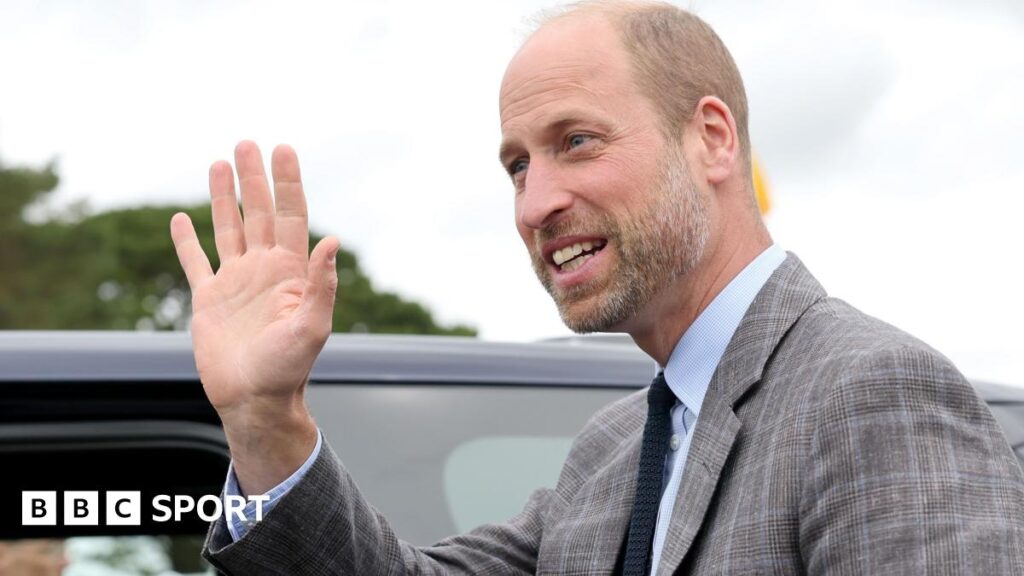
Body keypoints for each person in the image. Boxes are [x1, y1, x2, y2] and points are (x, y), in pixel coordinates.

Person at [170, 1, 1024, 574]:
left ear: (713, 140)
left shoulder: (875, 395)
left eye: (576, 141)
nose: (537, 202)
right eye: (516, 167)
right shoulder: (610, 455)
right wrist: (263, 421)